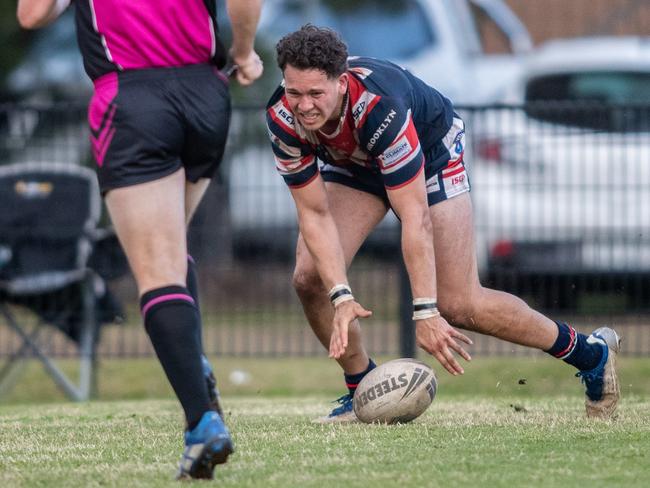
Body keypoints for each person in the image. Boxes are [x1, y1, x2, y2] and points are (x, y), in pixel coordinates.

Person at [265, 24, 620, 423]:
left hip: (431, 155)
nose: (304, 105)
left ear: (342, 83)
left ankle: (590, 354)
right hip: (358, 165)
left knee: (459, 305)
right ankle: (361, 388)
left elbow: (414, 216)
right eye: (295, 92)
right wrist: (341, 295)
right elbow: (314, 214)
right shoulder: (282, 117)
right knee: (310, 277)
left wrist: (425, 311)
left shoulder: (381, 108)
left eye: (316, 93)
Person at [17, 0, 264, 479]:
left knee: (157, 269)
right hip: (206, 94)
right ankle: (195, 363)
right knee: (171, 246)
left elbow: (31, 14)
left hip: (132, 98)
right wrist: (245, 51)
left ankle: (202, 422)